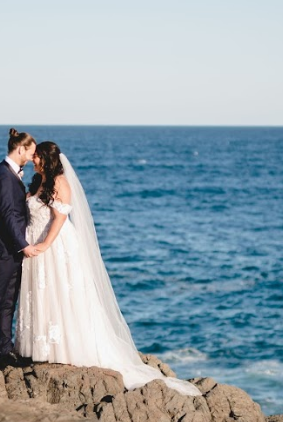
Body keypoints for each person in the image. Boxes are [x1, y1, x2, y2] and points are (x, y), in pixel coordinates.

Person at [14, 141, 201, 396]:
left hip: (55, 245)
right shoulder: (38, 183)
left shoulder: (59, 183)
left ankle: (65, 349)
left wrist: (45, 244)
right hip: (37, 244)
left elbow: (59, 219)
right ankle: (41, 348)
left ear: (46, 159)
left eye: (36, 157)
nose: (33, 160)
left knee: (62, 294)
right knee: (44, 294)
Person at [0, 128, 42, 368]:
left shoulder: (10, 174)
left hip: (12, 247)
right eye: (31, 152)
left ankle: (5, 348)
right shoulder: (3, 173)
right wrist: (23, 244)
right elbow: (5, 214)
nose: (32, 157)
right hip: (5, 247)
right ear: (20, 149)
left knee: (8, 301)